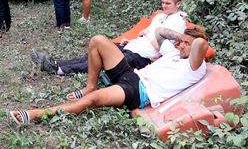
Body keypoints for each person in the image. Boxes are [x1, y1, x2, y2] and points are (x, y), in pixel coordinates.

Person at [10, 25, 208, 124]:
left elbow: (200, 44)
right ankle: (90, 85)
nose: (180, 45)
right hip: (132, 74)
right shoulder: (175, 52)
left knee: (93, 100)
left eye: (185, 44)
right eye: (181, 42)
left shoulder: (195, 66)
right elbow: (159, 32)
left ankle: (37, 114)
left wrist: (197, 36)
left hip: (138, 92)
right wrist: (182, 38)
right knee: (98, 40)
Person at [31, 0, 186, 76]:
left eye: (168, 3)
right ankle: (58, 63)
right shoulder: (159, 16)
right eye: (162, 2)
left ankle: (60, 70)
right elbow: (145, 33)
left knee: (104, 61)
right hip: (133, 47)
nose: (164, 6)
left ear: (178, 4)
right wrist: (132, 40)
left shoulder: (178, 22)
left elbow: (162, 47)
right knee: (93, 54)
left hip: (142, 57)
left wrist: (148, 36)